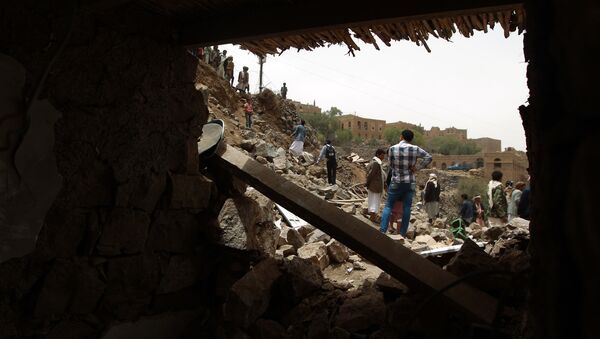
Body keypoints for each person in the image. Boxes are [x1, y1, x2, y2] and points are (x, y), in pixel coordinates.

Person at [379, 129, 432, 237]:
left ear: (401, 136)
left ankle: (383, 230)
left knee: (388, 206)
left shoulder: (392, 149)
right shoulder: (415, 149)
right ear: (411, 139)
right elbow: (429, 157)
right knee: (407, 208)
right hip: (409, 183)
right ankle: (402, 234)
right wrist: (417, 168)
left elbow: (390, 165)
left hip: (396, 181)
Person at [365, 149, 386, 222]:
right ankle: (372, 219)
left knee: (373, 202)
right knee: (374, 202)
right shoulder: (376, 163)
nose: (383, 157)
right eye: (382, 155)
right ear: (378, 155)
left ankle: (373, 218)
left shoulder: (376, 162)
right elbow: (371, 175)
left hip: (374, 186)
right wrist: (367, 183)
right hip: (375, 187)